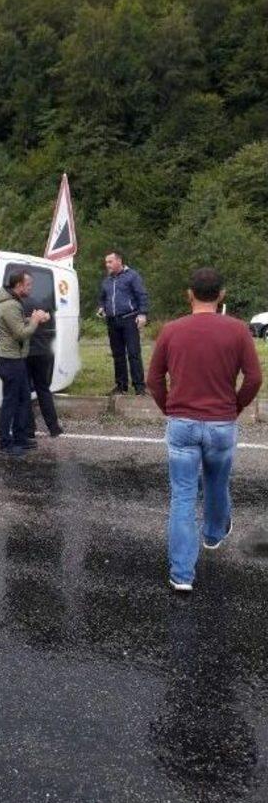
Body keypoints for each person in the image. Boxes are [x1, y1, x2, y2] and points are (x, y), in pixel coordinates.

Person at [147, 268, 263, 592]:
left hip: (182, 424)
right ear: (221, 295)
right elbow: (254, 378)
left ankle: (182, 574)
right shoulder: (238, 330)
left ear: (190, 294)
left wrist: (169, 408)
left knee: (183, 495)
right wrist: (235, 408)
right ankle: (213, 535)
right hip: (221, 423)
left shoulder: (171, 331)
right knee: (217, 482)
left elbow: (153, 379)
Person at [0, 271, 49, 456]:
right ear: (18, 285)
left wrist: (35, 319)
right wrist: (33, 320)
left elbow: (17, 323)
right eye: (28, 285)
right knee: (11, 402)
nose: (30, 288)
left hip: (16, 359)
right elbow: (20, 333)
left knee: (24, 399)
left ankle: (20, 438)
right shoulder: (10, 305)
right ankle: (5, 442)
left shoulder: (13, 302)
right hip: (10, 361)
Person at [97, 250, 149, 396]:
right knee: (117, 354)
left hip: (129, 319)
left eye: (110, 262)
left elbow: (142, 295)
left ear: (119, 261)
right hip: (112, 321)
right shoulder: (107, 280)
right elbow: (102, 298)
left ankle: (139, 387)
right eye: (106, 262)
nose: (107, 265)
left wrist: (143, 314)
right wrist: (101, 307)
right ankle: (121, 386)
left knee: (133, 353)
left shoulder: (132, 276)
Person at [22, 296, 64, 440]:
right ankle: (54, 427)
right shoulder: (41, 303)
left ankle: (29, 429)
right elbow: (50, 321)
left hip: (26, 353)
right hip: (42, 351)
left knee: (25, 391)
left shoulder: (16, 306)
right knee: (43, 389)